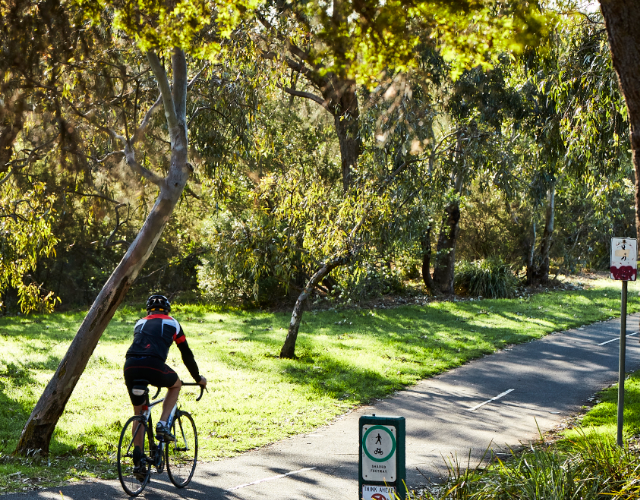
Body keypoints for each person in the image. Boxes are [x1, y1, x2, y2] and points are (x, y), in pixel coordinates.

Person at [123, 294, 207, 476]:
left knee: (139, 413)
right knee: (176, 384)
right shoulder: (173, 323)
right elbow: (186, 354)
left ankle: (138, 462)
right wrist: (198, 378)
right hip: (153, 365)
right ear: (168, 309)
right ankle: (162, 423)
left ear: (148, 310)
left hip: (130, 365)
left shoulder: (140, 322)